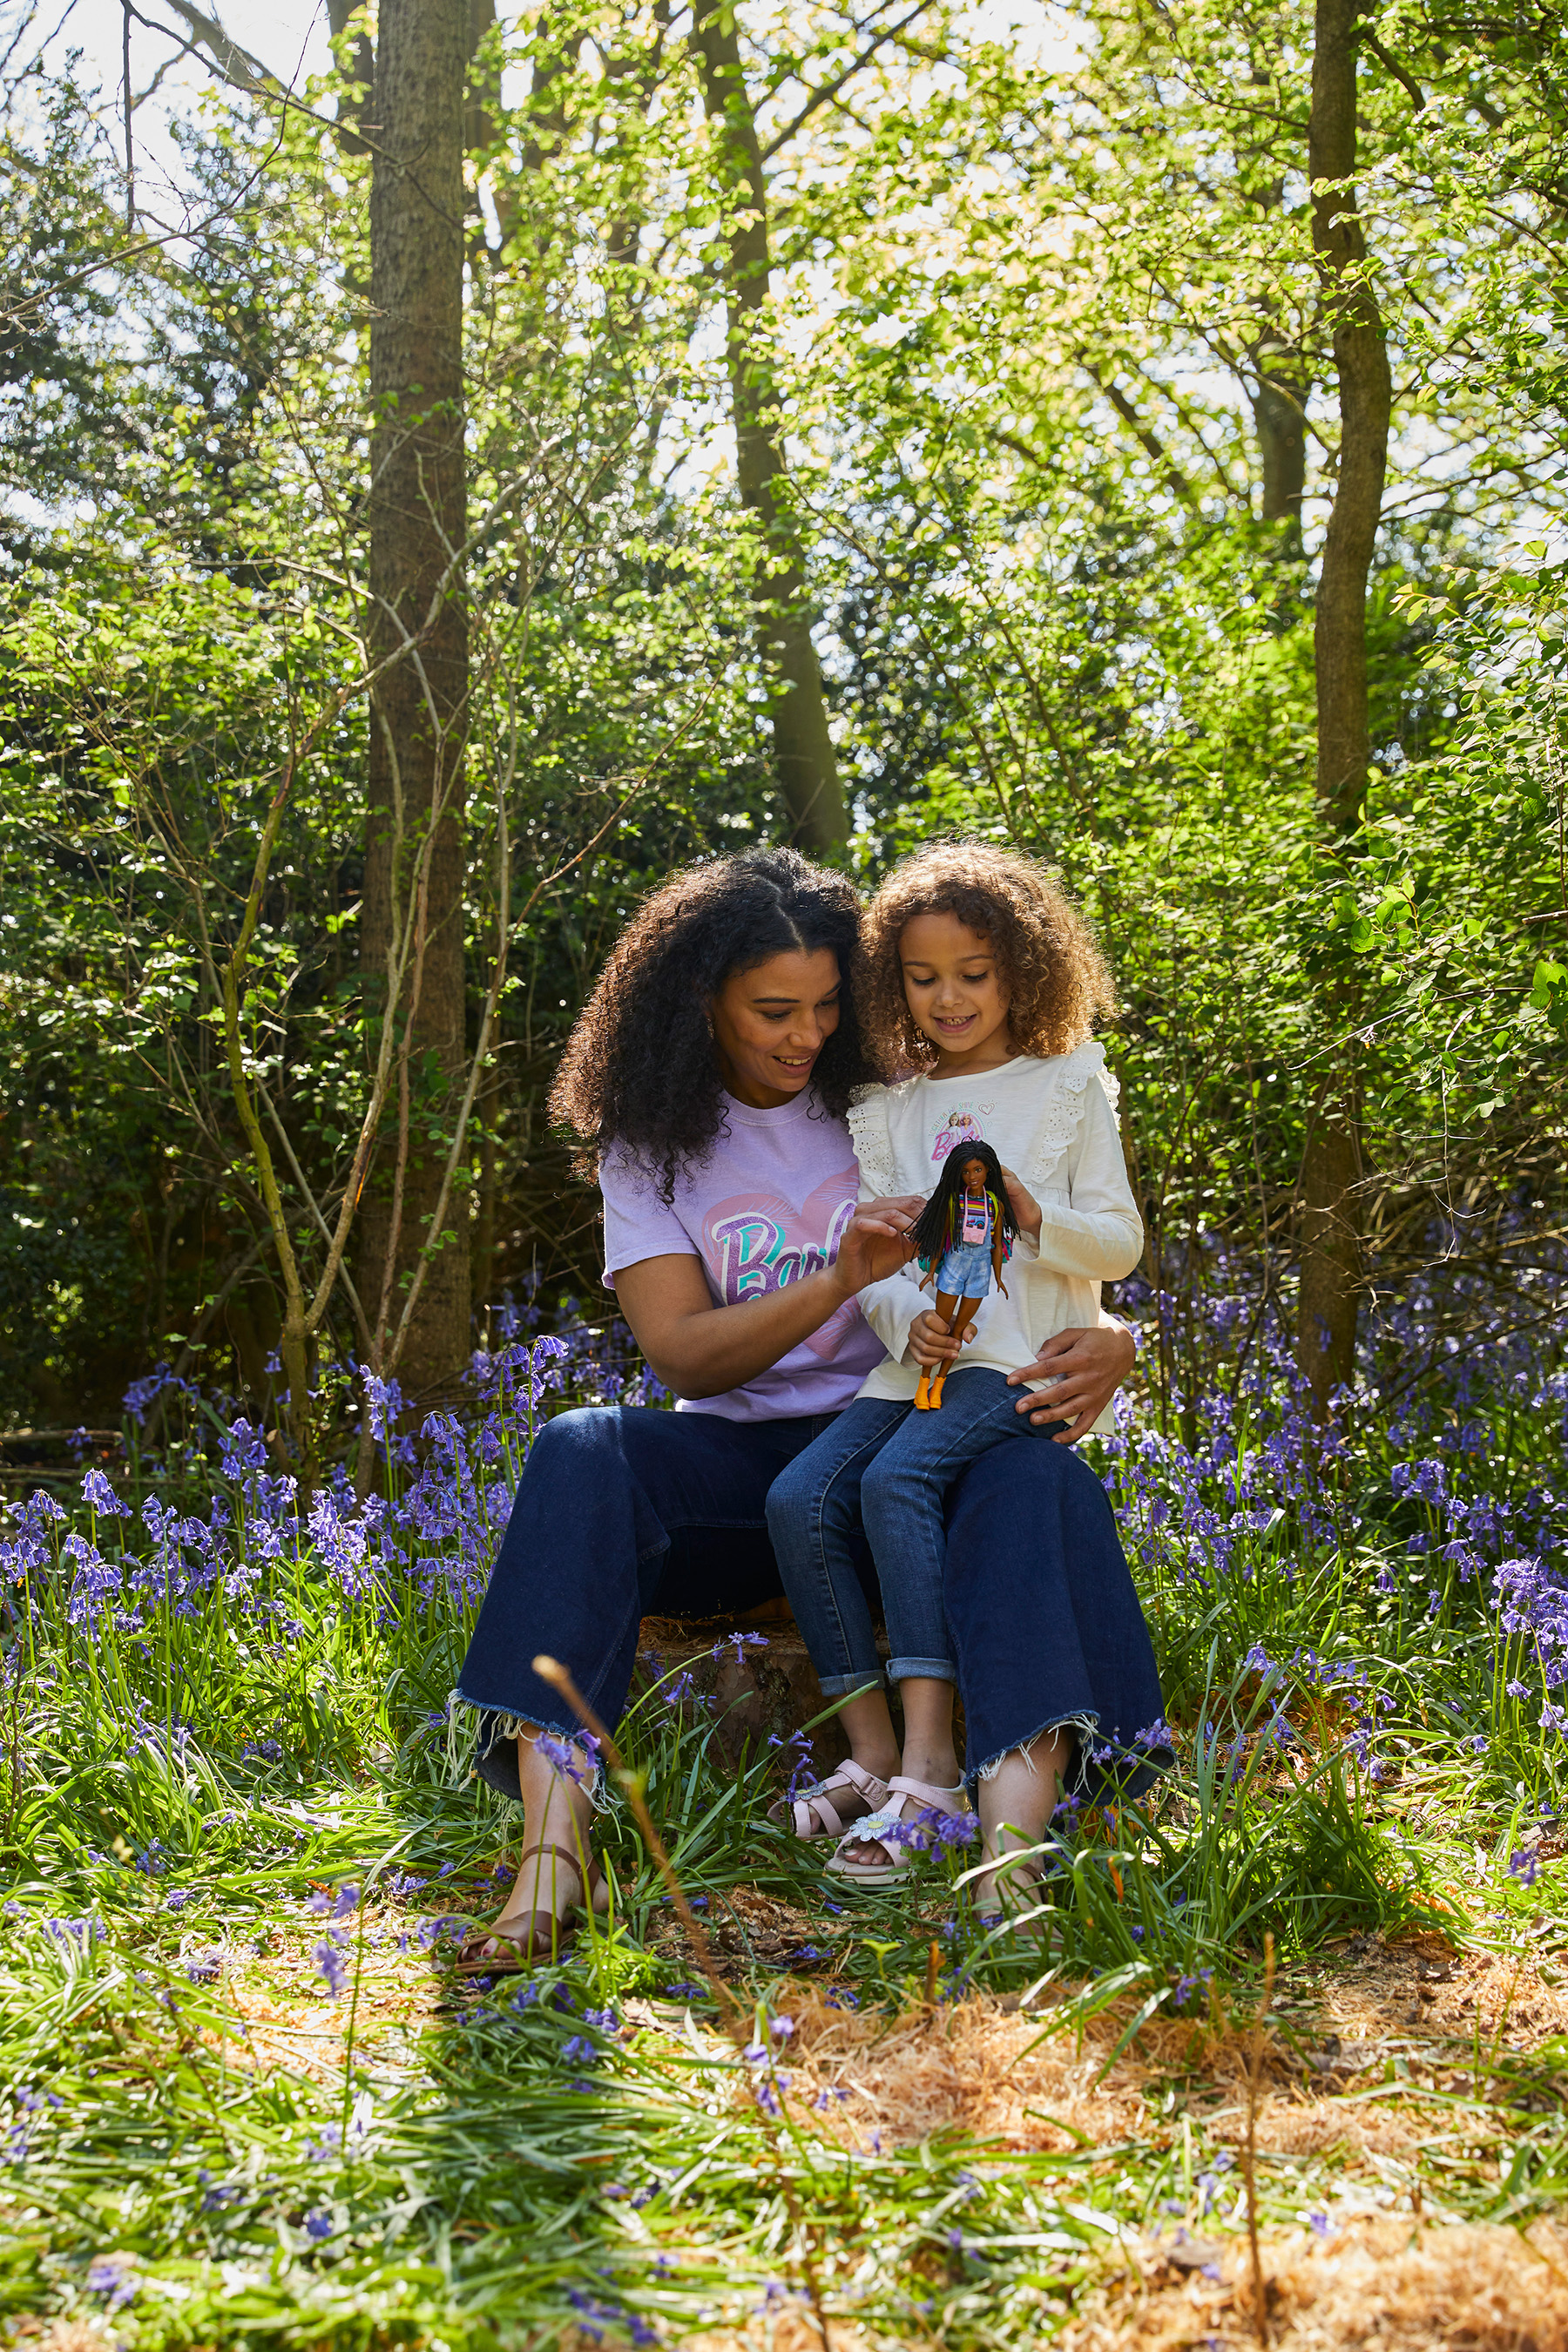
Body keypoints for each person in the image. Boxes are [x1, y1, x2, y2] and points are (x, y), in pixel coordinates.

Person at [449, 846, 1142, 1970]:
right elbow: (683, 1354)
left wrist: (1119, 1339)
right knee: (582, 1445)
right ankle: (551, 1858)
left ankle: (1007, 1864)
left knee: (1033, 1472)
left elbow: (1042, 1242)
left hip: (925, 1432)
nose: (806, 1035)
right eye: (774, 1010)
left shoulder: (893, 1103)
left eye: (828, 1006)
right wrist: (836, 1279)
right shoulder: (652, 1145)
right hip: (749, 1479)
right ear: (699, 1001)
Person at [764, 841, 1159, 1903]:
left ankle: (934, 1769)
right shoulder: (893, 1108)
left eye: (973, 975)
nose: (948, 999)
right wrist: (908, 1325)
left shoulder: (1070, 1083)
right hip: (923, 1371)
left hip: (1025, 1367)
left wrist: (1037, 1212)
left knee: (898, 1482)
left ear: (1023, 971)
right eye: (923, 978)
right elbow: (884, 1261)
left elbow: (1119, 1243)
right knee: (800, 1496)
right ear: (896, 981)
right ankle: (874, 1755)